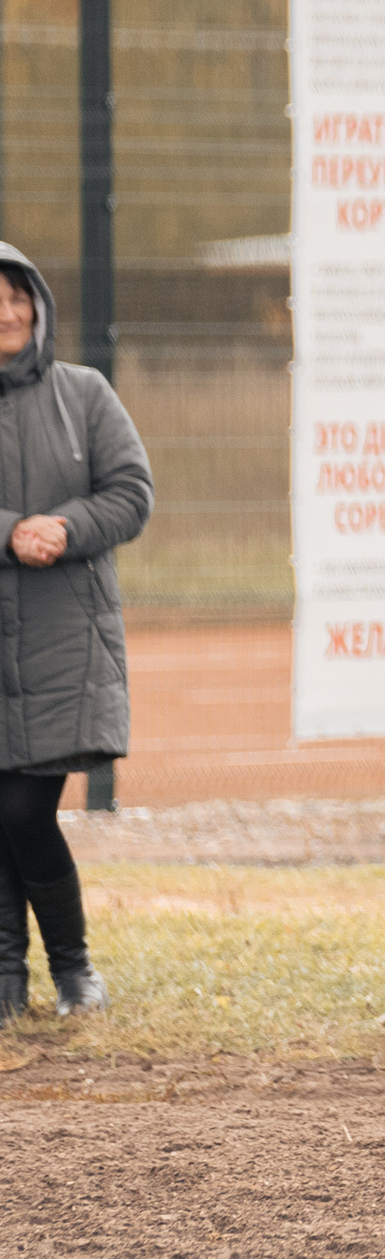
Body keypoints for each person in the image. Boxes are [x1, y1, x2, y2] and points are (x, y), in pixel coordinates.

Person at [0, 244, 152, 1022]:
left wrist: (66, 525)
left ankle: (72, 967)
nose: (9, 313)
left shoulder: (84, 393)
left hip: (65, 643)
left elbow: (132, 491)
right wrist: (8, 532)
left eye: (19, 296)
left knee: (25, 811)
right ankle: (7, 979)